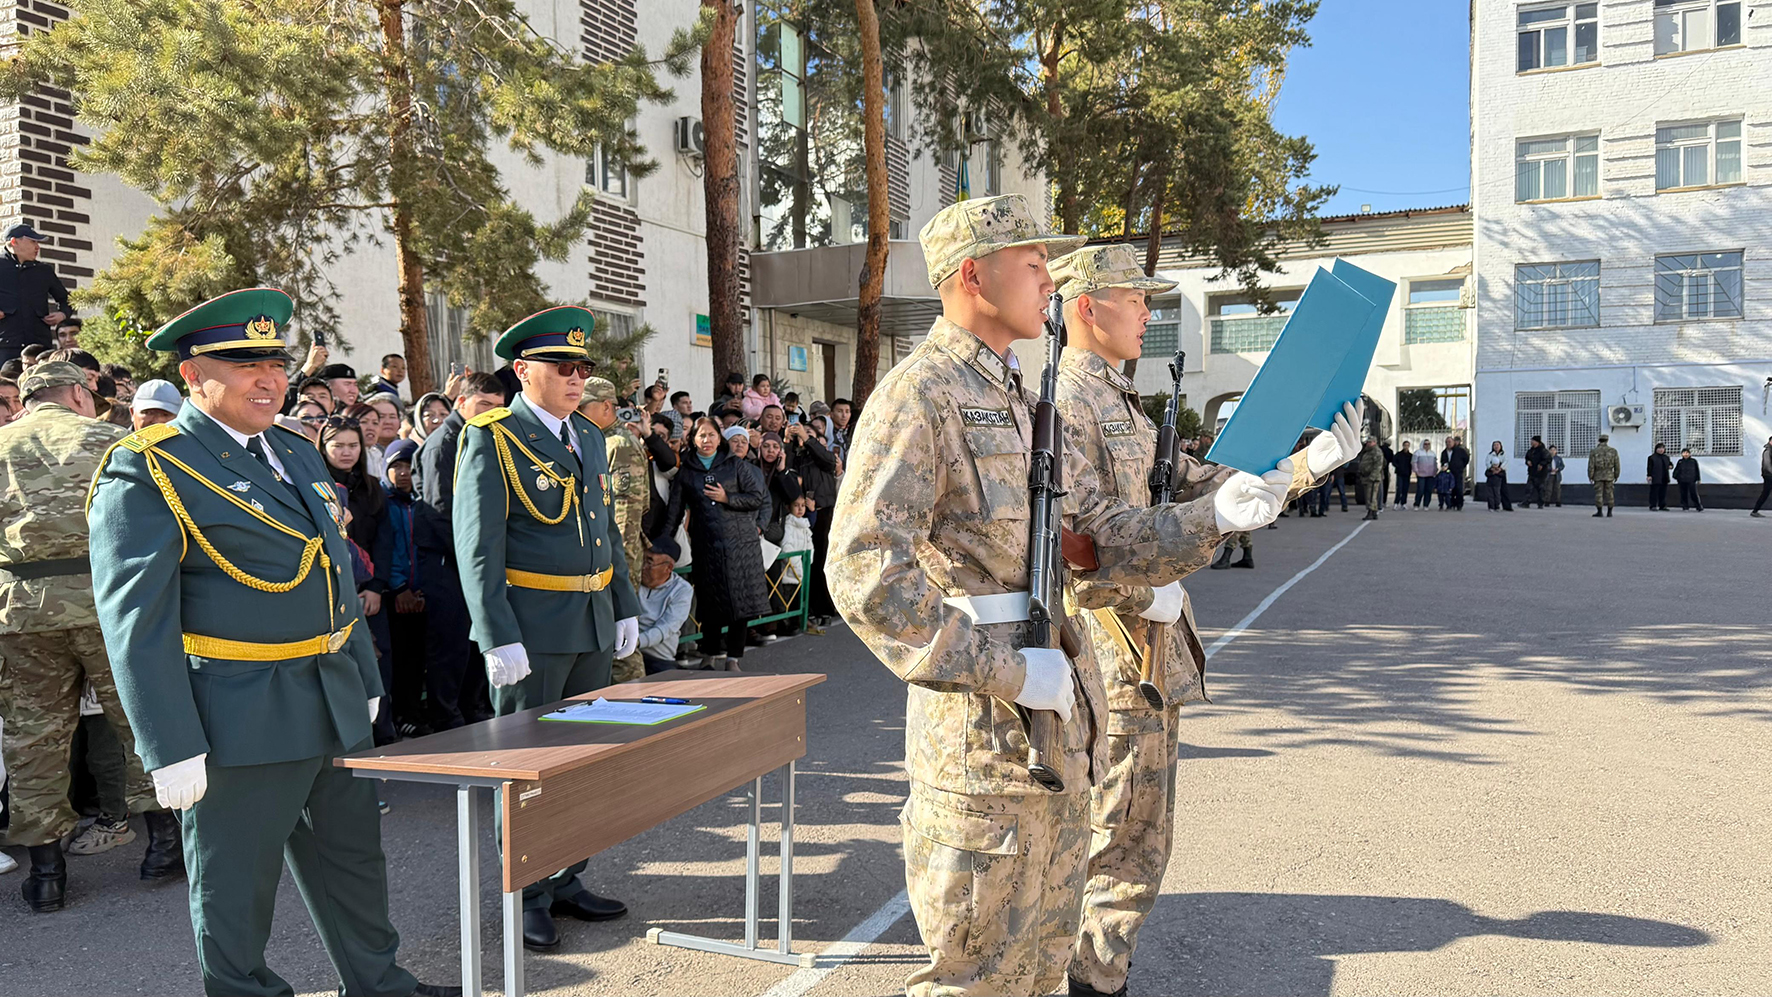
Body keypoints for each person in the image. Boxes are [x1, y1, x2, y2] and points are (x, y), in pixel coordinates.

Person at [827, 194, 1290, 997]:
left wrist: (1214, 515)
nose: (1049, 277)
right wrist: (1006, 672)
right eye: (1033, 261)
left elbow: (1093, 536)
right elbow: (865, 570)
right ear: (973, 274)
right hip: (983, 739)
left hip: (1058, 725)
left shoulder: (1018, 398)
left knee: (1042, 967)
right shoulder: (920, 393)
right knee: (978, 976)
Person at [85, 289, 459, 997]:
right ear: (194, 376)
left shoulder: (293, 450)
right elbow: (136, 620)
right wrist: (167, 742)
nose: (269, 378)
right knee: (236, 887)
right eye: (244, 363)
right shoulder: (152, 467)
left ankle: (380, 984)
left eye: (276, 362)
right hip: (237, 714)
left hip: (330, 698)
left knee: (353, 861)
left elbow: (331, 567)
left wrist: (360, 667)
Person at [1046, 243, 1351, 997]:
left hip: (1149, 655)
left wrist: (1309, 463)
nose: (1149, 311)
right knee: (1117, 844)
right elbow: (1077, 537)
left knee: (1140, 842)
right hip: (1113, 654)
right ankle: (1092, 981)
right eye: (1135, 298)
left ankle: (1100, 972)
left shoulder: (1119, 400)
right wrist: (1162, 568)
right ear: (1089, 306)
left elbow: (1201, 479)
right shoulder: (1064, 404)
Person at [452, 306, 640, 951]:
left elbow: (605, 531)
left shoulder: (586, 436)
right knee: (529, 767)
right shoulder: (492, 436)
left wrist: (623, 605)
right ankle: (525, 891)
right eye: (564, 366)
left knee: (581, 761)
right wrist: (495, 633)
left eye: (583, 367)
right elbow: (478, 546)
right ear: (524, 370)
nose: (576, 377)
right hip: (531, 629)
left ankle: (566, 877)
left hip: (588, 621)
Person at [0, 361, 183, 911]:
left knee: (34, 739)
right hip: (109, 601)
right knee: (138, 717)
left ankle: (48, 875)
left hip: (22, 611)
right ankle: (163, 848)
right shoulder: (111, 438)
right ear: (79, 394)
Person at [659, 416, 769, 671]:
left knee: (739, 602)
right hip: (706, 543)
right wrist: (663, 542)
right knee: (710, 601)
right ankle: (709, 654)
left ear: (720, 439)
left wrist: (727, 497)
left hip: (740, 544)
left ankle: (734, 657)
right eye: (701, 436)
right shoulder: (687, 471)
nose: (706, 440)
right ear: (693, 440)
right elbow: (674, 512)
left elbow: (756, 498)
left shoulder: (735, 465)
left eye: (711, 435)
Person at [321, 414, 394, 739]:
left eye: (353, 445)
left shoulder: (372, 487)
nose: (347, 452)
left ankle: (383, 731)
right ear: (323, 447)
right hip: (331, 592)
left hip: (370, 590)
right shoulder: (312, 486)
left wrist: (377, 588)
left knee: (381, 661)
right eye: (338, 445)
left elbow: (384, 542)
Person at [579, 377, 650, 683]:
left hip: (616, 558)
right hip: (606, 559)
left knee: (620, 640)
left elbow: (626, 515)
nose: (576, 410)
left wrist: (618, 569)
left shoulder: (617, 445)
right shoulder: (596, 440)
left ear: (606, 406)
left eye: (584, 406)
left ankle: (633, 701)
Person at [0, 224, 74, 366]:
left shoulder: (44, 271)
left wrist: (62, 315)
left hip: (39, 347)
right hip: (5, 346)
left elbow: (67, 300)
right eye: (33, 241)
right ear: (14, 242)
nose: (37, 247)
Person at [634, 538, 694, 674]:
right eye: (643, 560)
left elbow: (666, 628)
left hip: (658, 658)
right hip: (627, 652)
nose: (643, 567)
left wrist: (635, 642)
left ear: (668, 568)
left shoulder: (682, 590)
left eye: (650, 562)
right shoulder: (634, 578)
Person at [1588, 433, 1620, 518]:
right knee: (1610, 493)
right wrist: (1616, 475)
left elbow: (1591, 465)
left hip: (1598, 475)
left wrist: (1590, 476)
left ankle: (1599, 511)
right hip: (1609, 475)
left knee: (1599, 493)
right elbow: (1617, 464)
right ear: (1607, 440)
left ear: (1599, 440)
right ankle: (1610, 512)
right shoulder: (1613, 451)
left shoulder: (1594, 451)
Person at [1357, 436, 1385, 520]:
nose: (1368, 443)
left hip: (1372, 477)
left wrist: (1372, 476)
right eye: (1368, 442)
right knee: (1370, 495)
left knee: (1371, 496)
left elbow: (1378, 465)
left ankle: (1371, 511)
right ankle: (1373, 512)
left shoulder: (1376, 451)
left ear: (1374, 442)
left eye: (1370, 442)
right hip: (1366, 476)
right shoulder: (1368, 451)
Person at [1483, 441, 1513, 511]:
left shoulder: (1504, 454)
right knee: (1491, 493)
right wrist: (1491, 468)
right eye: (1495, 445)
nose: (1496, 446)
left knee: (1503, 490)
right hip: (1492, 472)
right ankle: (1492, 506)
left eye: (1497, 445)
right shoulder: (1490, 454)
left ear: (1500, 446)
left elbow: (1506, 461)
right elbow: (1487, 462)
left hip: (1501, 472)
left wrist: (1500, 468)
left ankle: (1506, 506)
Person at [1525, 435, 1551, 509]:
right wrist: (1527, 462)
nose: (1531, 442)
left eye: (1532, 441)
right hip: (1531, 472)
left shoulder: (1543, 450)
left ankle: (1540, 503)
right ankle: (1526, 502)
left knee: (1541, 489)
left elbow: (1548, 459)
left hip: (1541, 473)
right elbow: (1527, 458)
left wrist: (1542, 464)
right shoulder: (1531, 450)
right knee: (1528, 488)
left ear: (1537, 442)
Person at [1445, 436, 1470, 510]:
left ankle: (1459, 504)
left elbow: (1466, 459)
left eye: (1450, 442)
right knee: (1450, 489)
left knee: (1459, 488)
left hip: (1458, 472)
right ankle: (1451, 504)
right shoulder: (1444, 452)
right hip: (1449, 473)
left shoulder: (1460, 451)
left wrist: (1461, 466)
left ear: (1454, 442)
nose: (1448, 443)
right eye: (1447, 442)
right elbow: (1443, 460)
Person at [1646, 442, 1672, 511]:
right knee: (1654, 492)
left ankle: (1662, 505)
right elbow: (1649, 467)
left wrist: (1670, 466)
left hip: (1664, 477)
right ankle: (1653, 505)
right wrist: (1649, 475)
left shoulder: (1666, 457)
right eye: (1659, 448)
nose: (1661, 450)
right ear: (1656, 449)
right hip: (1655, 477)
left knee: (1663, 492)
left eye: (1662, 448)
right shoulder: (1652, 457)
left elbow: (1670, 464)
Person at [1412, 439, 1438, 508]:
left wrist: (1435, 471)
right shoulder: (1418, 453)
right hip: (1421, 474)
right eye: (1425, 444)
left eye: (1428, 444)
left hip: (1430, 474)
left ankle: (1426, 504)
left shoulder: (1432, 453)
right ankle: (1416, 504)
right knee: (1420, 489)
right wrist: (1416, 471)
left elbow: (1435, 463)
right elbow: (1414, 462)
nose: (1427, 446)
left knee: (1428, 490)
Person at [1752, 436, 1772, 518]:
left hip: (1769, 475)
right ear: (1770, 441)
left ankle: (1755, 511)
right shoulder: (1768, 451)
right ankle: (1755, 511)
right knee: (1765, 494)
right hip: (1769, 475)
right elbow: (1767, 465)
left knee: (1765, 493)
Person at [1391, 440, 1413, 510]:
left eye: (1407, 445)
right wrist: (1398, 467)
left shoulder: (1410, 456)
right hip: (1400, 474)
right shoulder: (1398, 454)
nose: (1406, 447)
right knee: (1399, 489)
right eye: (1405, 445)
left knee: (1405, 489)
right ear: (1403, 446)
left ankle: (1403, 503)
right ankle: (1396, 503)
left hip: (1407, 474)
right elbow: (1394, 462)